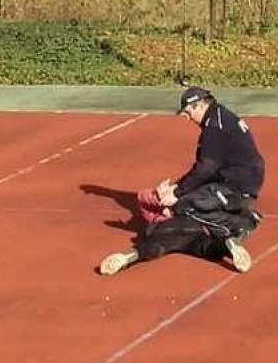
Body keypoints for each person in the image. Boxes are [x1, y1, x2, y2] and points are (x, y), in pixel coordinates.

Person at [99, 86, 265, 277]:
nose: (187, 118)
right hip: (229, 184)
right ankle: (232, 237)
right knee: (199, 242)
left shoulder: (215, 127)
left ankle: (240, 224)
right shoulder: (219, 118)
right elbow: (207, 168)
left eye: (187, 112)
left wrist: (176, 195)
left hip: (236, 187)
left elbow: (206, 168)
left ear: (198, 106)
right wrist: (176, 189)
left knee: (186, 207)